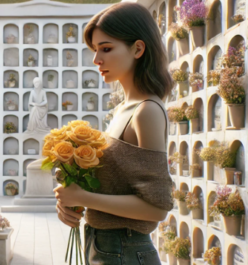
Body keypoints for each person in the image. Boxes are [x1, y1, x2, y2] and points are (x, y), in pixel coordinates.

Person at [53, 2, 174, 264]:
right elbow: (115, 187)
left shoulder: (146, 111)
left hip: (125, 249)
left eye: (106, 49)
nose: (97, 59)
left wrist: (82, 197)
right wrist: (70, 203)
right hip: (103, 244)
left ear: (138, 48)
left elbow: (157, 207)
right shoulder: (122, 109)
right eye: (95, 50)